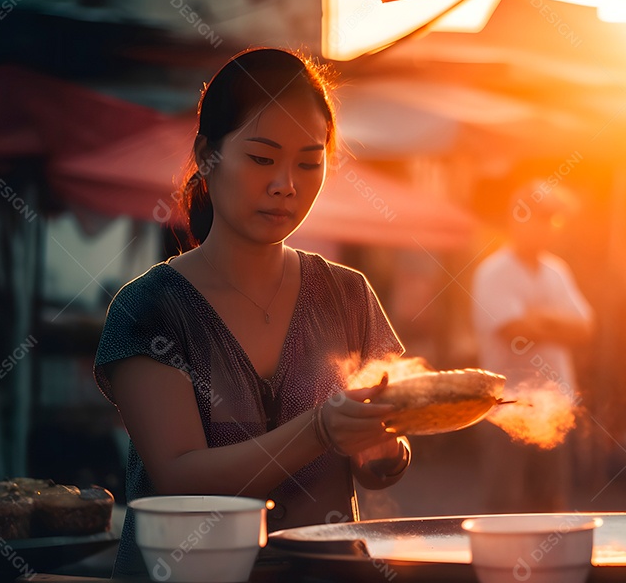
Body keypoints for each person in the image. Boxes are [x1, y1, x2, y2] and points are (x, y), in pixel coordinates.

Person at [94, 48, 410, 577]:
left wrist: (383, 449)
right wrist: (321, 430)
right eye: (263, 159)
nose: (286, 184)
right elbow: (180, 482)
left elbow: (381, 464)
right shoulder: (148, 309)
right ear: (207, 155)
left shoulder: (348, 295)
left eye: (309, 162)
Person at [470, 181, 593, 512]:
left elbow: (585, 328)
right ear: (517, 217)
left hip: (554, 407)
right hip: (506, 408)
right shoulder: (493, 272)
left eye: (551, 218)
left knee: (551, 506)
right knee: (505, 508)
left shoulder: (557, 271)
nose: (546, 225)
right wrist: (557, 324)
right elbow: (516, 331)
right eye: (539, 216)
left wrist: (540, 318)